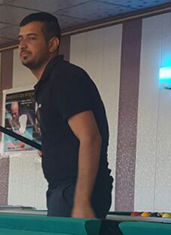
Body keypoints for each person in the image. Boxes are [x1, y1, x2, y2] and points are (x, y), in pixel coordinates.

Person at [17, 12, 113, 219]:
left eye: (31, 38)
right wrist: (52, 149)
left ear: (52, 44)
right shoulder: (48, 83)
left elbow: (91, 137)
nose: (23, 45)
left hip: (75, 190)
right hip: (64, 189)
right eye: (20, 39)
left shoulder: (65, 78)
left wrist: (82, 201)